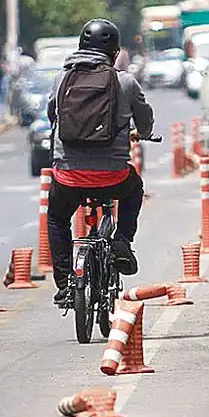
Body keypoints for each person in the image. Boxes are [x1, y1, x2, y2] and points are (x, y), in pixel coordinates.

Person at [46, 19, 155, 307]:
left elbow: (51, 114)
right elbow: (145, 120)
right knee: (134, 190)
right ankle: (122, 241)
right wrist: (141, 134)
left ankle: (65, 285)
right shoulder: (126, 82)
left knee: (57, 218)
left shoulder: (61, 78)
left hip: (68, 177)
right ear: (115, 51)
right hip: (112, 177)